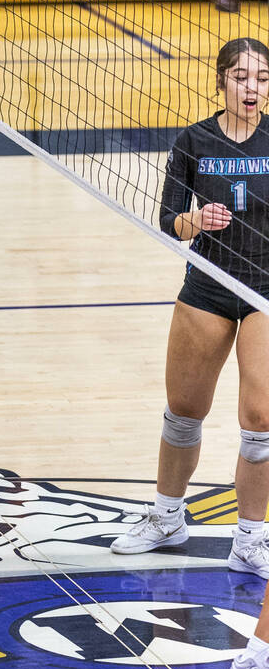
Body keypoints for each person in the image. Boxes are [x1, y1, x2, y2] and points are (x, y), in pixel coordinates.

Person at [110, 37, 269, 580]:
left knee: (261, 419)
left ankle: (250, 538)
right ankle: (167, 516)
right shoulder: (194, 140)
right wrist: (196, 222)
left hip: (265, 291)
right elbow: (168, 220)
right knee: (183, 413)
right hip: (207, 285)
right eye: (241, 77)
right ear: (221, 80)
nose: (252, 88)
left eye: (262, 78)